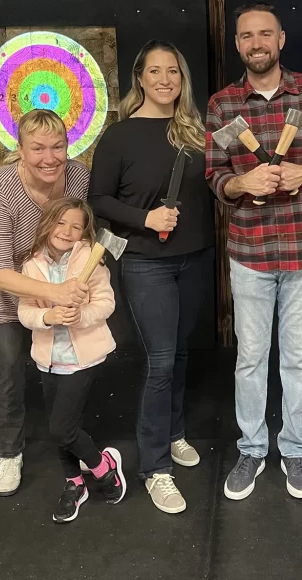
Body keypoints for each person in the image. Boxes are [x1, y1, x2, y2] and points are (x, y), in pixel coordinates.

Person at [206, 2, 302, 501]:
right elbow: (214, 175)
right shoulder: (223, 104)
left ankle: (293, 448)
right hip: (249, 248)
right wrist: (239, 181)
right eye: (247, 36)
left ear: (281, 39)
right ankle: (251, 447)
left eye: (265, 34)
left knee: (299, 358)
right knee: (250, 357)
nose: (256, 43)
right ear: (239, 44)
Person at [89, 40, 214, 515]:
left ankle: (174, 432)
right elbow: (100, 200)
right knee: (161, 360)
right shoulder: (119, 136)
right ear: (139, 77)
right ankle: (155, 466)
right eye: (156, 71)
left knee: (180, 352)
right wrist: (146, 220)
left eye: (174, 72)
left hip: (195, 259)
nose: (165, 80)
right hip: (146, 262)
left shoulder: (195, 132)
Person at [0, 109, 91, 496]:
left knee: (63, 359)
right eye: (37, 148)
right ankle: (9, 452)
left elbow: (79, 233)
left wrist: (73, 282)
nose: (49, 157)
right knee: (10, 364)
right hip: (1, 284)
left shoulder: (78, 177)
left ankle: (71, 440)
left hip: (52, 278)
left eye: (58, 146)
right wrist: (55, 295)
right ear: (20, 150)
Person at [17, 198, 126, 522]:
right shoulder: (31, 266)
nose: (67, 231)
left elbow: (106, 304)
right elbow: (25, 311)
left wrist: (80, 315)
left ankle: (103, 467)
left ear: (84, 232)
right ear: (48, 223)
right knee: (62, 428)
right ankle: (75, 483)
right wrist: (49, 315)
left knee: (60, 428)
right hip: (48, 358)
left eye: (76, 226)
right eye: (61, 223)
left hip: (83, 358)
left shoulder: (91, 261)